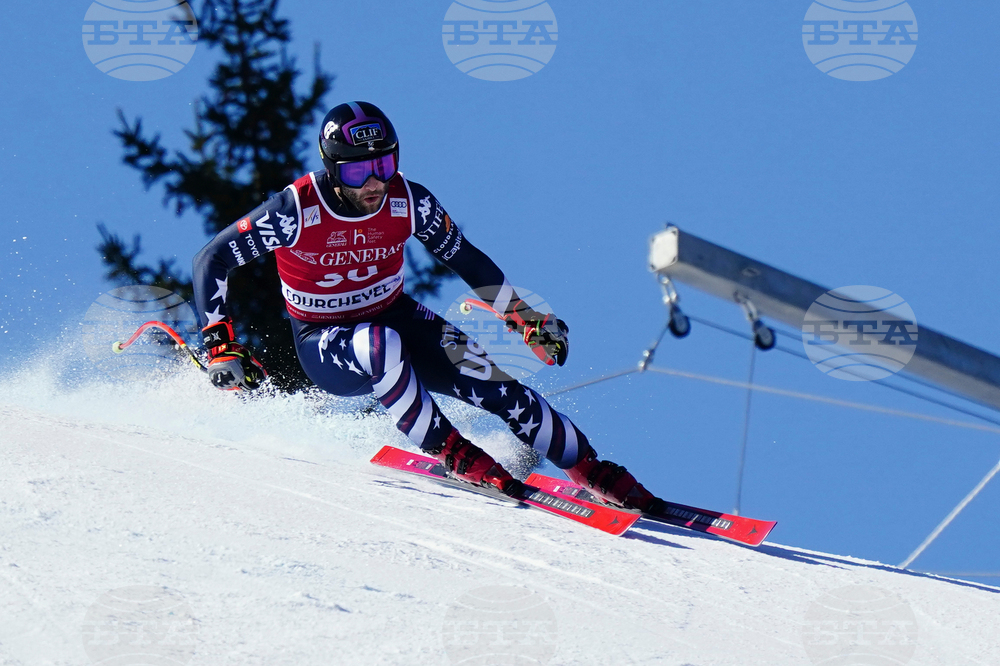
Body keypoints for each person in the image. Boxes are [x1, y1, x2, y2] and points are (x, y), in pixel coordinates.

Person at [192, 101, 661, 511]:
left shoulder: (407, 201)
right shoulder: (297, 210)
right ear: (333, 169)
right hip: (326, 343)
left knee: (491, 378)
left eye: (385, 164)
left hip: (396, 314)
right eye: (358, 171)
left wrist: (525, 319)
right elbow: (211, 259)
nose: (375, 181)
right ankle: (453, 451)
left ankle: (590, 469)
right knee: (381, 343)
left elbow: (467, 258)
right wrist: (219, 345)